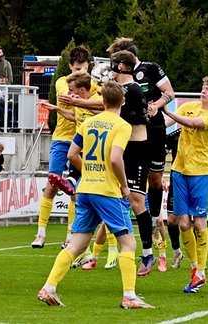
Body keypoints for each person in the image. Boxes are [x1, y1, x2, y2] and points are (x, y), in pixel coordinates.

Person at [37, 81, 154, 309]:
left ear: (102, 101)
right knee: (128, 244)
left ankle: (49, 287)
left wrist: (88, 171)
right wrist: (124, 185)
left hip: (85, 189)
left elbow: (71, 155)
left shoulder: (88, 122)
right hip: (107, 191)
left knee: (77, 244)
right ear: (123, 101)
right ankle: (129, 297)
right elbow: (114, 159)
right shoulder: (122, 126)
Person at [107, 37, 175, 273]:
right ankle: (132, 244)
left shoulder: (149, 69)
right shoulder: (120, 83)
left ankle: (154, 223)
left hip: (153, 132)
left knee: (155, 181)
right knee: (125, 194)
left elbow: (170, 92)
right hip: (129, 137)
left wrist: (157, 104)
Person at [31, 45, 103, 248]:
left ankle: (70, 236)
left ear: (89, 67)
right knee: (53, 183)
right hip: (62, 138)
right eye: (77, 69)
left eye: (84, 69)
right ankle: (41, 233)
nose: (80, 73)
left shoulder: (96, 85)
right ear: (70, 66)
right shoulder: (64, 82)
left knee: (76, 191)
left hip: (86, 141)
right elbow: (72, 96)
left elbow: (104, 102)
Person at [162, 76, 208, 293]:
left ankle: (201, 273)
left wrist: (168, 112)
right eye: (203, 86)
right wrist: (152, 120)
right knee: (183, 225)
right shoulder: (188, 106)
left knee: (199, 224)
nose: (204, 90)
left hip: (200, 173)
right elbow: (167, 123)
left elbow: (192, 123)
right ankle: (194, 269)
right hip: (179, 171)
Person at [109, 50, 153, 276]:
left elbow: (107, 106)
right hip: (123, 149)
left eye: (113, 65)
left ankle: (148, 252)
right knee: (112, 198)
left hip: (136, 151)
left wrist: (81, 102)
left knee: (136, 202)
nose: (110, 69)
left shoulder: (132, 88)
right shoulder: (123, 89)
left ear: (122, 67)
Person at [164, 128, 208, 270]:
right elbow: (159, 155)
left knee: (196, 221)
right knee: (172, 221)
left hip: (197, 180)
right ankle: (177, 252)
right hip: (178, 181)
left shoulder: (202, 134)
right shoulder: (174, 137)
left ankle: (197, 261)